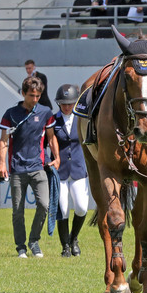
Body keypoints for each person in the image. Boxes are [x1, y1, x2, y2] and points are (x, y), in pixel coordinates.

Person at [0, 76, 60, 258]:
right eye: (31, 95)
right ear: (23, 93)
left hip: (38, 167)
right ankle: (21, 247)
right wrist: (2, 164)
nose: (35, 99)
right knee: (18, 211)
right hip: (17, 169)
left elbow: (51, 137)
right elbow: (3, 141)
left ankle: (34, 241)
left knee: (44, 205)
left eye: (38, 95)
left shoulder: (46, 112)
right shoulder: (10, 114)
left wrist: (57, 157)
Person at [53, 84, 89, 256]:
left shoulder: (82, 119)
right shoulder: (53, 121)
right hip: (60, 171)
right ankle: (65, 246)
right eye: (63, 104)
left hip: (78, 168)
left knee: (82, 207)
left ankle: (74, 238)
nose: (66, 107)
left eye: (70, 103)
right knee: (63, 208)